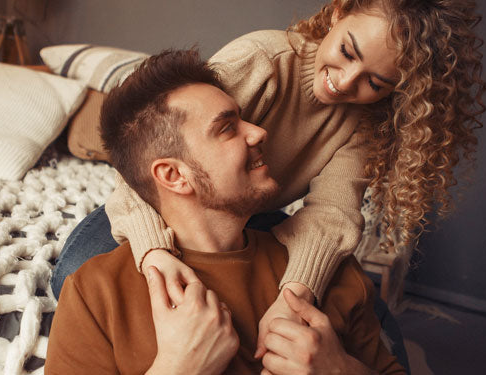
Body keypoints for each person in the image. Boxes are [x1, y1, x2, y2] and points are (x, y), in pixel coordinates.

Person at [52, 0, 485, 362]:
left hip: (252, 210)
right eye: (348, 52)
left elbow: (333, 213)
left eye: (376, 81)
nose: (347, 82)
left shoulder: (366, 124)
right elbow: (158, 153)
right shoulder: (264, 59)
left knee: (361, 308)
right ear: (337, 13)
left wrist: (294, 295)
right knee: (76, 273)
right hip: (158, 200)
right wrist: (152, 251)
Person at [45, 49, 405, 375]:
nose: (260, 132)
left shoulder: (328, 275)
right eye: (227, 128)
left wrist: (339, 371)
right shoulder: (95, 293)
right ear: (174, 175)